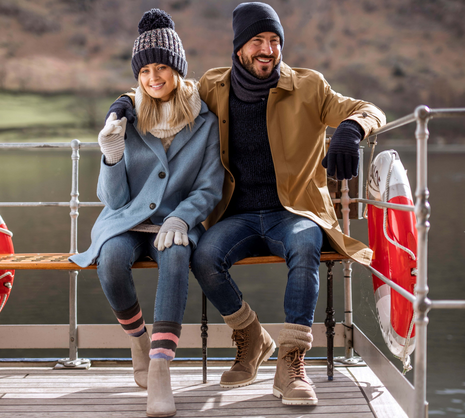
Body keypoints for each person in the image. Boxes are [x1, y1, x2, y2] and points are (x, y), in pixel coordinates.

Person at [107, 2, 386, 407]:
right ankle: (252, 337)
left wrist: (350, 130)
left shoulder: (310, 86)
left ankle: (291, 364)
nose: (267, 49)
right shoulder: (212, 87)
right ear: (239, 47)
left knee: (306, 246)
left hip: (294, 212)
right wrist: (121, 105)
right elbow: (161, 84)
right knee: (203, 256)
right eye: (257, 40)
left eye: (274, 41)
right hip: (236, 215)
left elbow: (368, 109)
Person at [70, 9, 224, 418]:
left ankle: (160, 370)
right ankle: (138, 339)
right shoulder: (126, 117)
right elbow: (114, 201)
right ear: (137, 75)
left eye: (162, 67)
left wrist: (183, 217)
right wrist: (111, 155)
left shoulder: (205, 121)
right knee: (112, 260)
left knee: (176, 255)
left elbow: (209, 186)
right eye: (145, 70)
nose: (153, 77)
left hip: (175, 220)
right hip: (126, 221)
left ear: (177, 69)